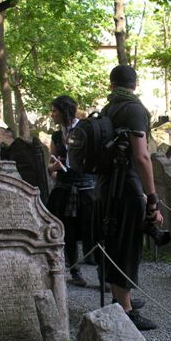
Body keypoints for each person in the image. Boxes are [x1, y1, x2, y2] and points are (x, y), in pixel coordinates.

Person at [98, 65, 163, 330]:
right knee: (127, 245)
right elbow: (141, 156)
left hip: (106, 185)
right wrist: (152, 197)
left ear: (112, 84)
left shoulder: (108, 109)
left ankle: (119, 299)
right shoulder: (134, 109)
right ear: (135, 85)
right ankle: (126, 311)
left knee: (116, 241)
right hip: (126, 185)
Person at [47, 95, 98, 287]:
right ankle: (75, 272)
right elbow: (50, 165)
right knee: (67, 232)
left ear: (65, 111)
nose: (52, 114)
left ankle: (103, 274)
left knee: (94, 230)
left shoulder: (85, 130)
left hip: (87, 187)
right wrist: (54, 169)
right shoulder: (56, 136)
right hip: (64, 189)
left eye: (55, 111)